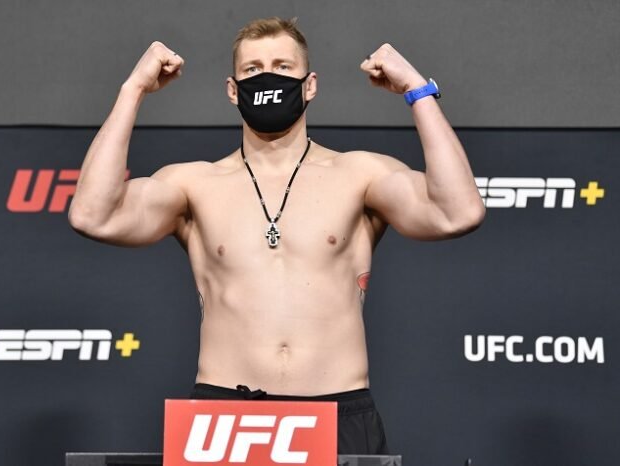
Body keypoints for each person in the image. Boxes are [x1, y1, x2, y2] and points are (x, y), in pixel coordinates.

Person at [68, 16, 485, 455]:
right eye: (253, 69)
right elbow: (93, 216)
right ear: (233, 90)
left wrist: (416, 90)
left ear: (310, 85)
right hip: (224, 416)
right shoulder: (193, 184)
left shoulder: (359, 174)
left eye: (283, 67)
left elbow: (458, 212)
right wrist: (132, 90)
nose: (268, 78)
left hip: (337, 412)